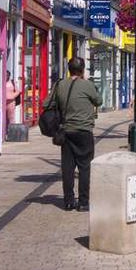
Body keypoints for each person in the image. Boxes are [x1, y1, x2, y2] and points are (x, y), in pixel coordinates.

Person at [43, 56, 102, 211]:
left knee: (68, 168)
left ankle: (68, 201)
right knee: (84, 167)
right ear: (82, 70)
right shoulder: (88, 85)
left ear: (69, 69)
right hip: (84, 131)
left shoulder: (60, 85)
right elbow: (99, 101)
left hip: (66, 131)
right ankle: (83, 202)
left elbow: (45, 103)